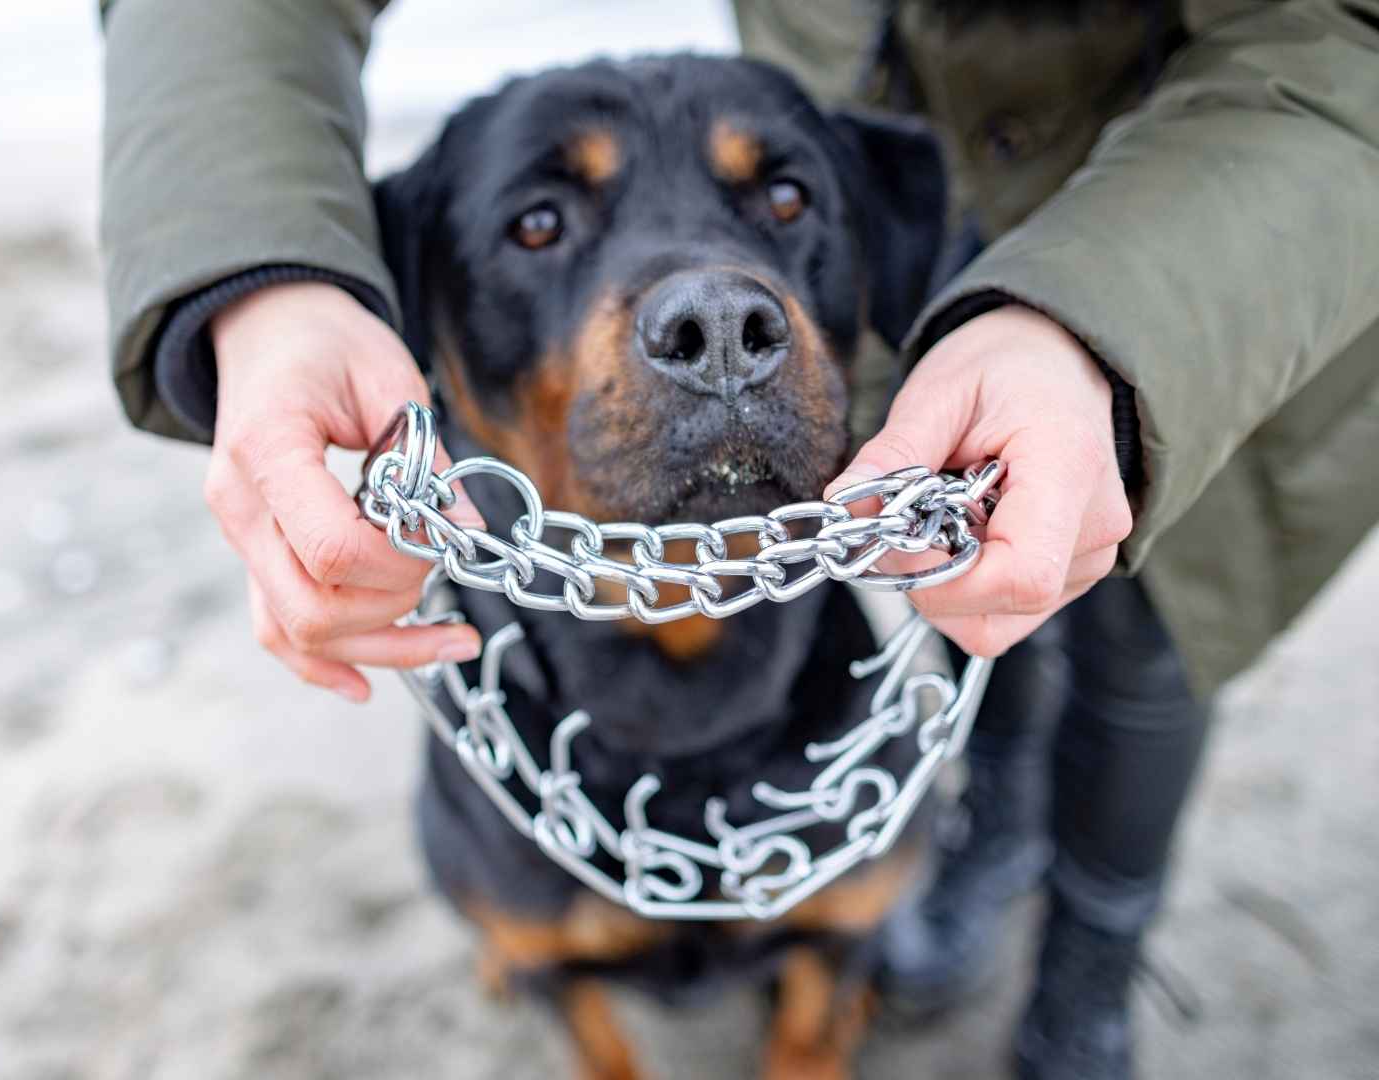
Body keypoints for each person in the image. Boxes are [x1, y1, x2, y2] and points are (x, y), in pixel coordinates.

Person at [96, 2, 1379, 1077]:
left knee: (1133, 621)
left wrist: (1096, 329)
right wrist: (264, 283)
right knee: (546, 954)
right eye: (540, 226)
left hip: (1207, 214)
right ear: (419, 326)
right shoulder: (492, 809)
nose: (715, 305)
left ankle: (1046, 957)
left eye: (777, 202)